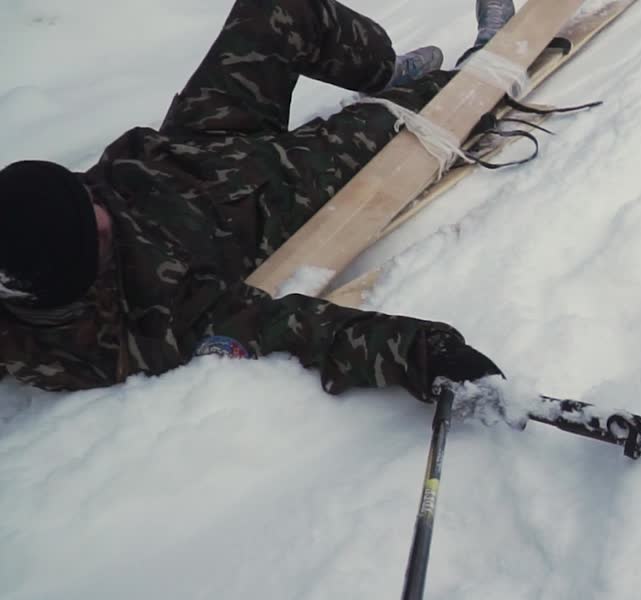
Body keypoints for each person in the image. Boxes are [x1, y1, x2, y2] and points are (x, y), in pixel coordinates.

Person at [0, 0, 516, 403]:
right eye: (95, 223)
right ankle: (480, 70)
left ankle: (380, 71)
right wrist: (426, 355)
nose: (97, 203)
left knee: (282, 11)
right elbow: (301, 331)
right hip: (269, 191)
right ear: (79, 270)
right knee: (423, 120)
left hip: (192, 145)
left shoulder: (43, 236)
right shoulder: (157, 320)